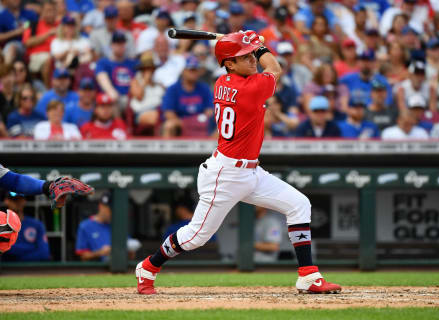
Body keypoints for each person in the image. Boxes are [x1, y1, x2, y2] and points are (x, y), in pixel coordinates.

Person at [135, 30, 342, 295]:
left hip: (251, 171)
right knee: (196, 237)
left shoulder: (222, 81)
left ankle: (308, 276)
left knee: (299, 204)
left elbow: (260, 66)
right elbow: (275, 67)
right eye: (243, 57)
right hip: (226, 174)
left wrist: (248, 46)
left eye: (250, 56)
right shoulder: (250, 87)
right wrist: (259, 46)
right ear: (230, 63)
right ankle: (149, 266)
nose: (251, 60)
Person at [161, 55, 214, 137]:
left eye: (195, 70)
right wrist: (185, 123)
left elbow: (210, 111)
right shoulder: (173, 89)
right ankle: (165, 150)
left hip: (200, 124)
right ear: (183, 71)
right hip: (180, 125)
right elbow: (168, 113)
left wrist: (198, 121)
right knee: (169, 125)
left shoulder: (204, 88)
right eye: (191, 70)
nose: (194, 73)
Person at [1, 191, 50, 261]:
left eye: (20, 199)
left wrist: (17, 256)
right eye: (13, 200)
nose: (17, 202)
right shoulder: (2, 224)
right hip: (8, 268)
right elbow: (3, 251)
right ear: (6, 201)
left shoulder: (36, 224)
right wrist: (30, 248)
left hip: (31, 269)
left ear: (24, 201)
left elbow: (44, 253)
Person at [95, 30, 137, 111]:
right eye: (117, 43)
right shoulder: (104, 62)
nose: (120, 46)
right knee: (112, 101)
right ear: (111, 45)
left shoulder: (132, 63)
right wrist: (112, 93)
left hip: (132, 99)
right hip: (114, 98)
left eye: (122, 43)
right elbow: (102, 78)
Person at [22, 0, 58, 84]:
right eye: (48, 10)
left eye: (53, 10)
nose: (51, 13)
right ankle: (48, 91)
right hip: (38, 56)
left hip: (57, 56)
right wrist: (48, 34)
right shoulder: (33, 24)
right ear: (42, 11)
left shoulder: (61, 25)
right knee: (48, 60)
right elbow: (27, 43)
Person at [0, 0, 38, 65]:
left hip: (31, 45)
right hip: (12, 45)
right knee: (12, 47)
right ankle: (5, 71)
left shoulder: (31, 14)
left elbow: (39, 30)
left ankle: (5, 71)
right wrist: (16, 32)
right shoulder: (2, 16)